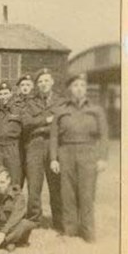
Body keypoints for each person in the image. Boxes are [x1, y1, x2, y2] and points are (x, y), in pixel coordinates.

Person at [49, 73, 108, 242]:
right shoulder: (61, 111)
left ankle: (88, 231)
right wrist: (54, 158)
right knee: (67, 193)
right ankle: (70, 230)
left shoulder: (96, 110)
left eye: (82, 85)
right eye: (75, 86)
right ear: (69, 89)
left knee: (87, 193)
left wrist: (102, 158)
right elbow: (54, 137)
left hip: (88, 153)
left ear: (86, 88)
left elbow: (104, 136)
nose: (79, 89)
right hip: (66, 152)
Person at [21, 67, 62, 231]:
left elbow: (62, 122)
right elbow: (26, 123)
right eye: (40, 82)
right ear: (36, 85)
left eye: (46, 80)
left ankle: (59, 220)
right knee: (34, 185)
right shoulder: (30, 102)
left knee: (56, 184)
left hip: (54, 145)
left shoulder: (60, 101)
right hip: (35, 145)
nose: (43, 84)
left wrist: (40, 123)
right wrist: (47, 120)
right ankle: (34, 219)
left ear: (52, 82)